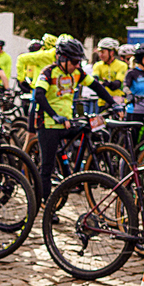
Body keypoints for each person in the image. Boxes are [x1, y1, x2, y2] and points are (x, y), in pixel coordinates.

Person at [33, 37, 116, 202]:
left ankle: (76, 172)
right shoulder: (48, 72)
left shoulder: (77, 73)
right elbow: (39, 95)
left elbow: (96, 86)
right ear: (62, 58)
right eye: (75, 61)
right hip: (48, 125)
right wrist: (54, 115)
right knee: (47, 167)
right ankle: (46, 204)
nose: (77, 65)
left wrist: (114, 104)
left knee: (88, 130)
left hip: (67, 122)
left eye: (79, 62)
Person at [92, 38, 127, 109]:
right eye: (99, 52)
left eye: (102, 52)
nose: (100, 55)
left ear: (111, 52)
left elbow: (116, 85)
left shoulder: (122, 65)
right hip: (103, 101)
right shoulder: (97, 65)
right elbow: (95, 81)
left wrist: (104, 83)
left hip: (118, 100)